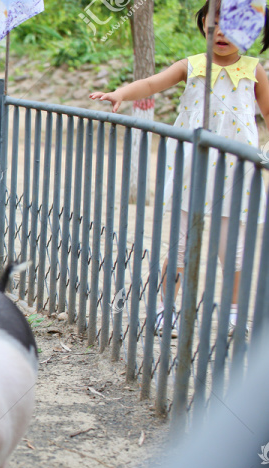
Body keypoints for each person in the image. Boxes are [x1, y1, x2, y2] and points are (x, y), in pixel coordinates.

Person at [90, 1, 269, 336]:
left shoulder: (253, 70)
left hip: (236, 173)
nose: (221, 33)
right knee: (179, 246)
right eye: (214, 23)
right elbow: (151, 83)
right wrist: (121, 93)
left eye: (231, 26)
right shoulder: (193, 65)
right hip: (192, 171)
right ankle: (166, 309)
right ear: (203, 23)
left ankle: (233, 313)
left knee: (235, 251)